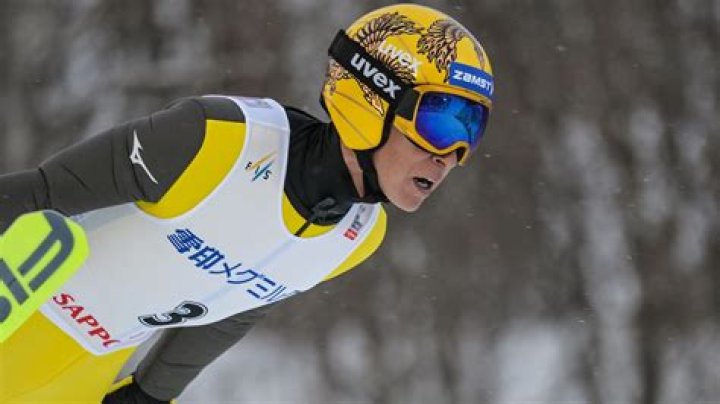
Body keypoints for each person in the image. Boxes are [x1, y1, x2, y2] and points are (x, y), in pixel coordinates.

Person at [0, 3, 494, 403]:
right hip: (20, 313)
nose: (451, 154)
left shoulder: (358, 238)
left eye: (471, 130)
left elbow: (236, 306)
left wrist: (149, 395)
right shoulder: (217, 140)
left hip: (81, 373)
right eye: (441, 121)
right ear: (373, 97)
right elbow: (39, 192)